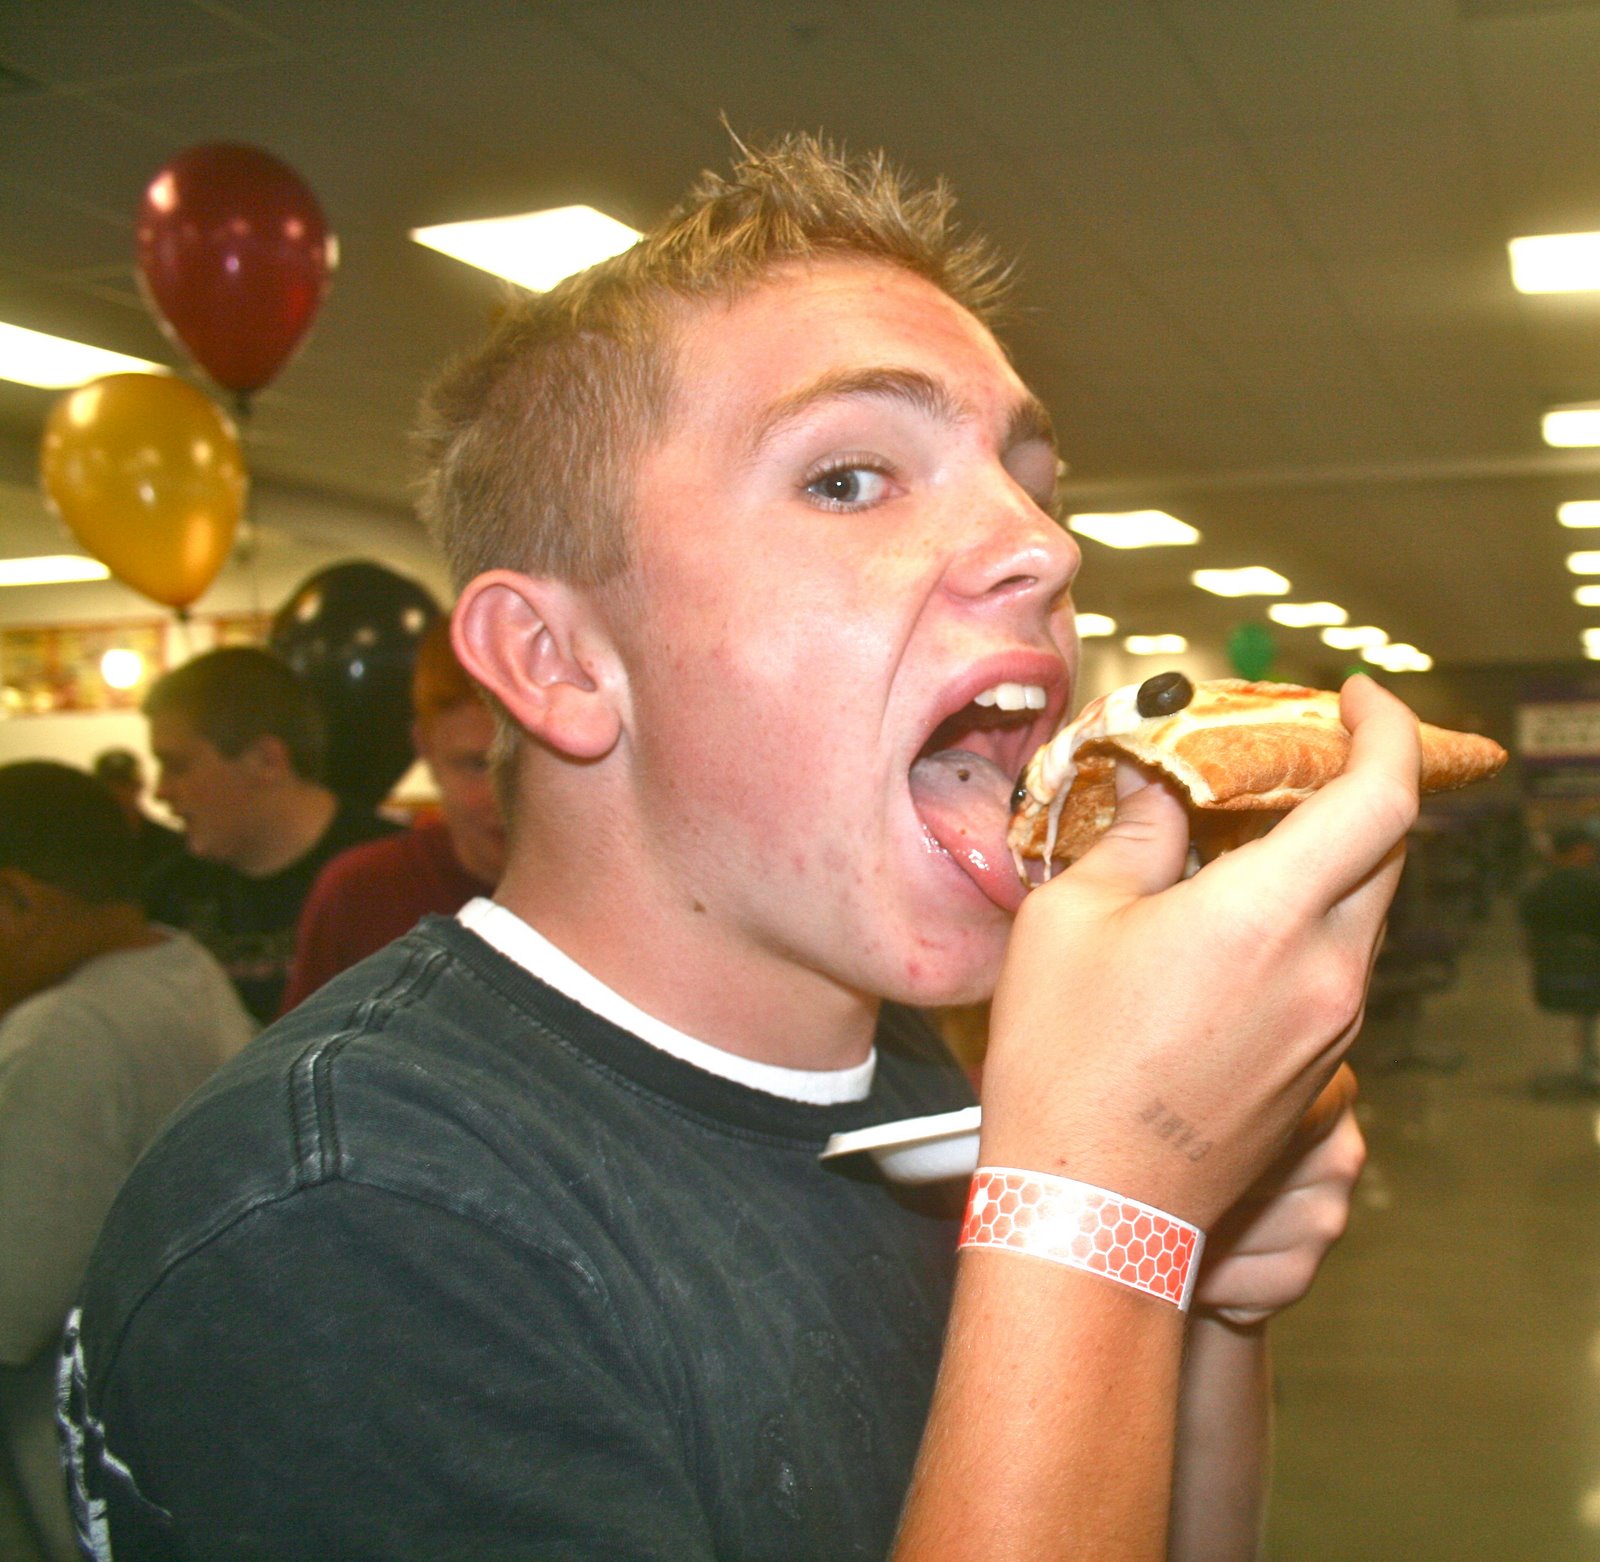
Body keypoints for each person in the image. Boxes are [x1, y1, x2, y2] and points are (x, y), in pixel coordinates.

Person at [64, 136, 1419, 1560]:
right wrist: (1102, 1211)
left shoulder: (900, 1071)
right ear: (555, 661)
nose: (1042, 545)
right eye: (849, 478)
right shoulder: (355, 1220)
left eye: (1034, 485)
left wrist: (1192, 1281)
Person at [0, 763, 251, 1562]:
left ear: (19, 902)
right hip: (201, 1453)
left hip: (88, 1491)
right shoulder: (180, 963)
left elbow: (8, 1308)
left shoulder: (64, 1034)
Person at [138, 646, 402, 1024]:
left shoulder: (393, 877)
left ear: (266, 761)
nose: (160, 791)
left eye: (178, 766)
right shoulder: (165, 897)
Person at [278, 617, 506, 1012]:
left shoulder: (613, 894)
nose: (505, 799)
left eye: (535, 768)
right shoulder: (360, 893)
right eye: (476, 766)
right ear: (425, 749)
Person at [1519, 824, 1600, 1091]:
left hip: (1550, 979)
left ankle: (1586, 1063)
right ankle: (1586, 1065)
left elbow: (1528, 941)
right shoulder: (1593, 888)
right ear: (1579, 850)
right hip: (1592, 977)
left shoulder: (1537, 889)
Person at [89, 751, 182, 880]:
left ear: (140, 785)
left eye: (124, 784)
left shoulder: (171, 843)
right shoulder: (87, 842)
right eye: (109, 785)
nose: (117, 792)